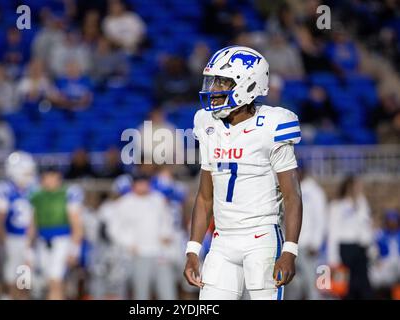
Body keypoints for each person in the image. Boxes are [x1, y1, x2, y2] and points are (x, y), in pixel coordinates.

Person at [183, 46, 303, 300]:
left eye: (222, 82)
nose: (214, 90)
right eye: (213, 82)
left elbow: (293, 196)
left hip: (261, 238)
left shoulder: (272, 125)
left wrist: (290, 250)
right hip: (222, 240)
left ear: (248, 85)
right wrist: (193, 249)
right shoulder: (207, 124)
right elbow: (205, 197)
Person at [109, 172, 177, 300]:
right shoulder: (125, 203)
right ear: (134, 185)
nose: (143, 186)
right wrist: (128, 243)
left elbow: (166, 221)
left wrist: (166, 234)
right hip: (138, 253)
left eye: (145, 183)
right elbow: (114, 229)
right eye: (140, 183)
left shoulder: (157, 199)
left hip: (159, 251)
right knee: (141, 292)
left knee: (167, 291)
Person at [29, 166, 84, 300]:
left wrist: (74, 249)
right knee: (51, 281)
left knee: (55, 280)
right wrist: (28, 249)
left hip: (61, 241)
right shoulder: (37, 196)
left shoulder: (67, 194)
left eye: (52, 177)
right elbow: (33, 224)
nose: (48, 181)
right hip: (43, 242)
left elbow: (77, 225)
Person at [0, 151, 37, 299]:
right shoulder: (4, 190)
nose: (29, 176)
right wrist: (4, 242)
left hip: (25, 240)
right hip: (10, 239)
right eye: (26, 172)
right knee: (8, 280)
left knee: (24, 282)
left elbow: (34, 219)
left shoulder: (32, 190)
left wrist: (30, 240)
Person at [327, 176, 374, 299]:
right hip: (345, 250)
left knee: (364, 289)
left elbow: (366, 227)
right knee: (347, 289)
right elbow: (333, 232)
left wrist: (370, 248)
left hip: (360, 249)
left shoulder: (362, 203)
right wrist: (333, 258)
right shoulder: (337, 205)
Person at [285, 162, 327, 300]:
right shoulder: (289, 188)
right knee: (292, 286)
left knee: (312, 286)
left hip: (308, 246)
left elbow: (320, 218)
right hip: (291, 245)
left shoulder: (314, 191)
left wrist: (316, 243)